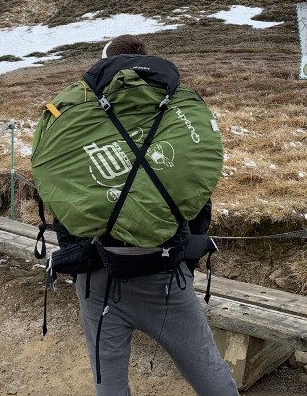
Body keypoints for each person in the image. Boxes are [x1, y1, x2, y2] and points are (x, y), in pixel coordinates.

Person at [53, 34, 239, 396]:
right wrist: (185, 260)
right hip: (164, 274)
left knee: (109, 381)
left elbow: (61, 197)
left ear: (102, 64)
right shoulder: (174, 114)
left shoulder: (78, 119)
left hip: (96, 276)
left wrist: (78, 254)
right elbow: (196, 197)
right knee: (207, 369)